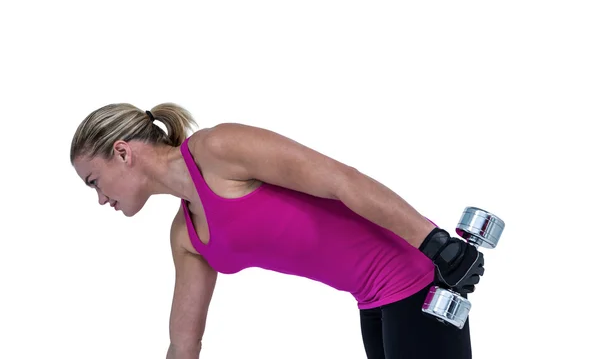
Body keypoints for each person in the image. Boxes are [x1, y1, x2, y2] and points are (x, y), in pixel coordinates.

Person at [70, 102, 485, 359]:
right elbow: (184, 345)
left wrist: (437, 245)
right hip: (373, 302)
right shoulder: (187, 236)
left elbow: (341, 179)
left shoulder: (219, 149)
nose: (101, 199)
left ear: (122, 152)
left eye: (94, 181)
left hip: (416, 275)